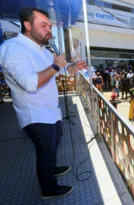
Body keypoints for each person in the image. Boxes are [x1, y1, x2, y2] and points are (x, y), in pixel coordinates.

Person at [0, 7, 87, 199]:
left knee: (53, 144)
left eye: (49, 25)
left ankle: (51, 169)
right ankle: (48, 189)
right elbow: (31, 83)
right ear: (27, 25)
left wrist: (74, 67)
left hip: (51, 111)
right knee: (45, 149)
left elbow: (62, 72)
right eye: (44, 25)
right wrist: (56, 65)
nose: (49, 29)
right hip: (35, 114)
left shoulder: (45, 51)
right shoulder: (12, 49)